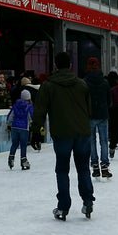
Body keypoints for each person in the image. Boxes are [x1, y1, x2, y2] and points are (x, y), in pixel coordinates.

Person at [31, 51, 95, 220]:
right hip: (82, 132)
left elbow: (40, 111)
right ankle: (88, 201)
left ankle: (63, 206)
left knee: (62, 169)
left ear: (55, 66)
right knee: (83, 168)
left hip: (62, 133)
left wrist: (36, 131)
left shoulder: (48, 85)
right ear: (71, 66)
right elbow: (89, 110)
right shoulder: (81, 84)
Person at [84, 57, 112, 179]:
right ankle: (104, 166)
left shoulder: (84, 82)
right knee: (104, 141)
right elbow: (109, 100)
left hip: (89, 115)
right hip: (102, 114)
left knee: (91, 141)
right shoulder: (105, 82)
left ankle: (95, 166)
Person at [6, 89, 33, 171]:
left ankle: (11, 158)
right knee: (23, 145)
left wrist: (9, 124)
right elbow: (31, 117)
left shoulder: (15, 105)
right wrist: (32, 123)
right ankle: (23, 160)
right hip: (24, 128)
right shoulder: (29, 106)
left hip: (14, 127)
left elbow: (10, 116)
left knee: (14, 144)